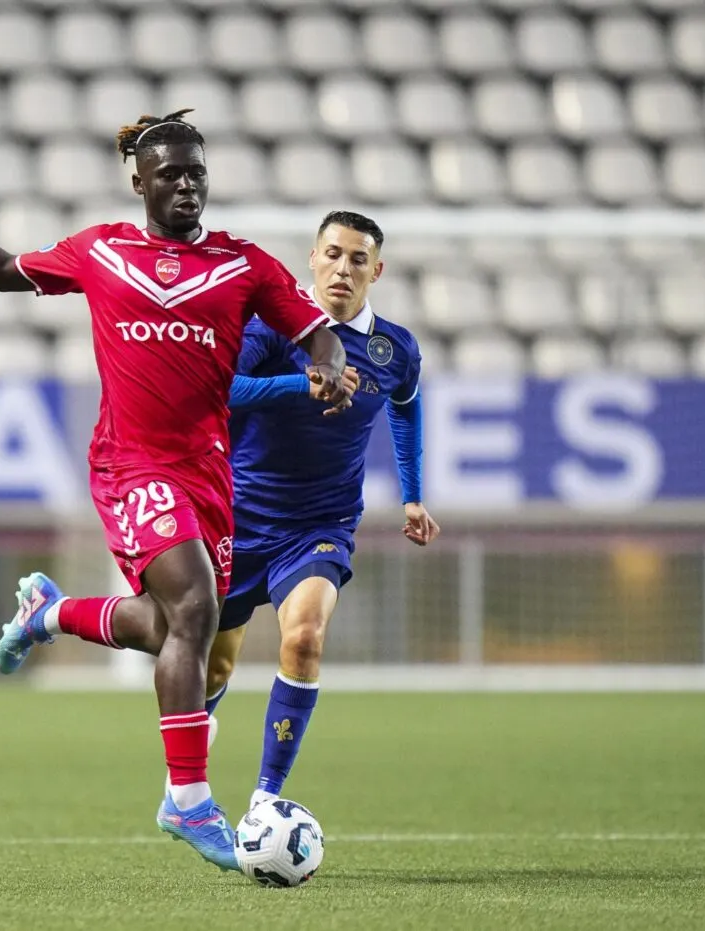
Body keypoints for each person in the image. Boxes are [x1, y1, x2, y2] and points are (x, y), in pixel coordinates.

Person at [0, 109, 352, 873]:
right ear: (139, 181)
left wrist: (323, 362)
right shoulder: (102, 252)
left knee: (168, 626)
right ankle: (188, 800)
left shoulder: (244, 264)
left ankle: (49, 610)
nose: (186, 185)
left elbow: (313, 327)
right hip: (131, 463)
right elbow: (0, 268)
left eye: (197, 173)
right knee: (194, 611)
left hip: (207, 471)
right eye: (171, 174)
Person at [206, 210, 440, 813]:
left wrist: (413, 492)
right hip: (237, 515)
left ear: (377, 271)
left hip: (319, 525)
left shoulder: (394, 348)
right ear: (312, 259)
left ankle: (266, 802)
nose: (343, 268)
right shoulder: (268, 329)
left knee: (305, 639)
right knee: (210, 670)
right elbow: (218, 390)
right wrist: (299, 383)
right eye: (332, 253)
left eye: (358, 259)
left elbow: (406, 407)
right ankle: (188, 789)